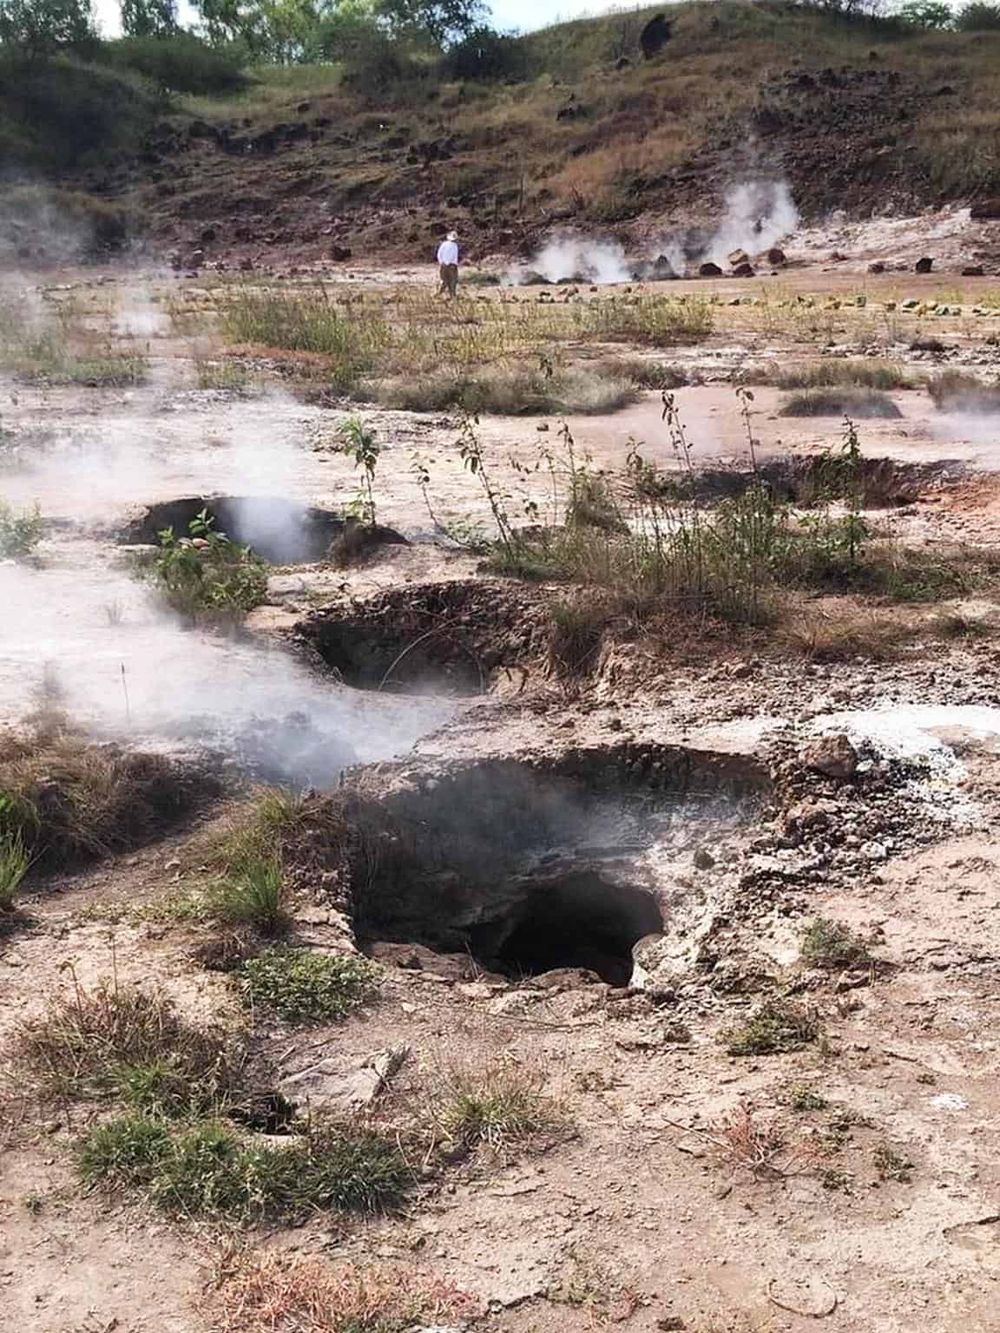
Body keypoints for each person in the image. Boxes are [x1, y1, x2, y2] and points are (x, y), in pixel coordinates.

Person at [437, 230, 459, 298]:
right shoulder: (455, 246)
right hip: (451, 266)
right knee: (453, 281)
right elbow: (453, 255)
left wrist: (441, 262)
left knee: (443, 281)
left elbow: (439, 254)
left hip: (443, 265)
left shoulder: (443, 244)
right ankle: (452, 296)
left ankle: (438, 294)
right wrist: (448, 263)